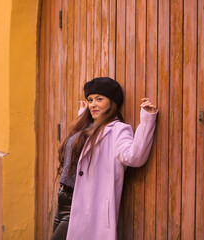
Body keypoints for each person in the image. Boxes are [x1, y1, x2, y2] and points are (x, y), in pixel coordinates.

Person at [51, 77, 158, 240]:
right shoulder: (86, 127)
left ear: (112, 102)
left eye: (99, 99)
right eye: (90, 100)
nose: (93, 104)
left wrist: (148, 120)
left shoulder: (118, 130)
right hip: (63, 200)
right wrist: (82, 116)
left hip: (83, 205)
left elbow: (134, 157)